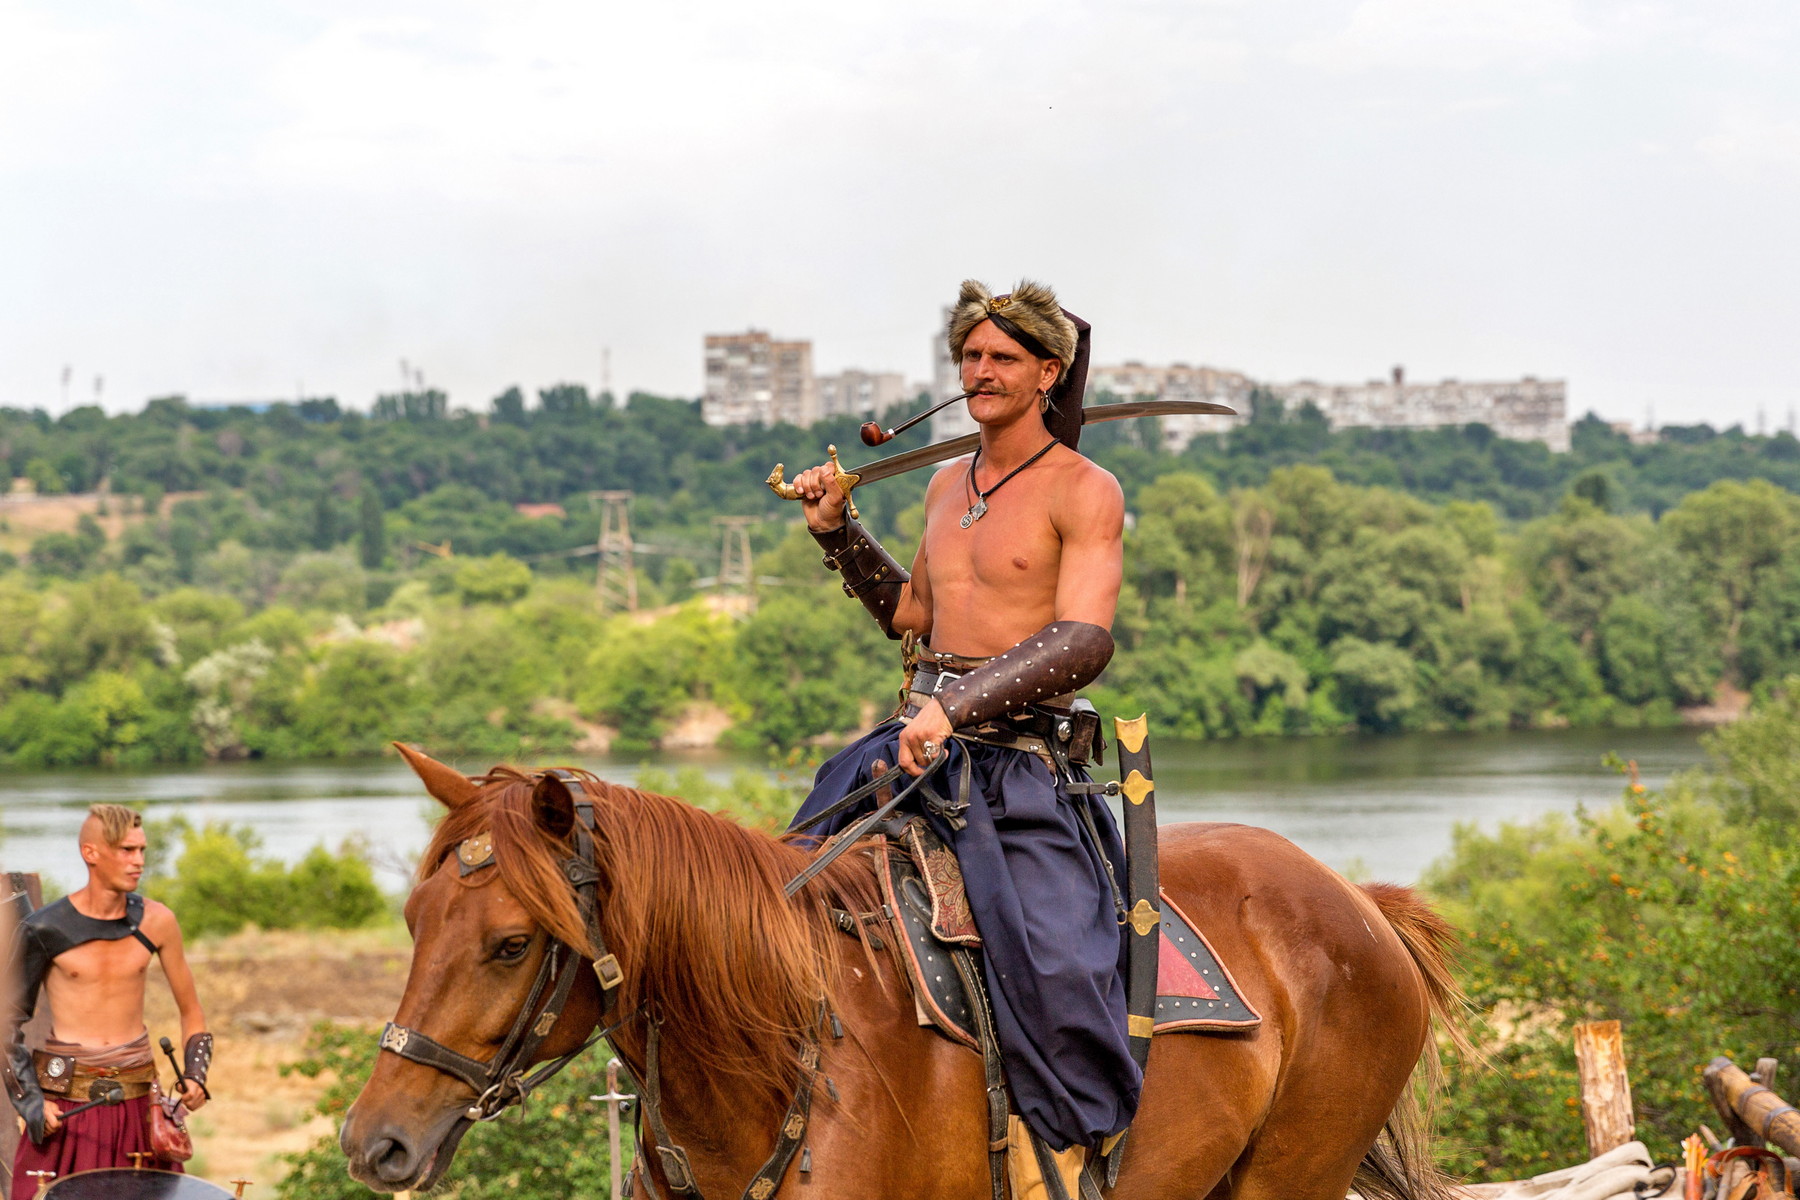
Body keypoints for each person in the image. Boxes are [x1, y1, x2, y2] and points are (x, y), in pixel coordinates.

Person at [786, 279, 1135, 1193]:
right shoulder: (947, 483)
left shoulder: (1086, 489)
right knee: (780, 898)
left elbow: (1084, 640)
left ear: (1047, 372)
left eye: (1002, 358)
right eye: (971, 356)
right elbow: (912, 613)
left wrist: (959, 706)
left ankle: (1069, 1163)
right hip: (909, 749)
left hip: (1017, 767)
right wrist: (838, 531)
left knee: (1060, 969)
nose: (981, 371)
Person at [3, 805, 213, 1198]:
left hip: (140, 1109)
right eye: (126, 850)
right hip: (66, 1109)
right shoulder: (44, 928)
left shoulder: (157, 921)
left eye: (142, 850)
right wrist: (31, 1102)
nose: (139, 861)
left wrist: (196, 1075)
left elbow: (192, 1012)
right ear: (91, 853)